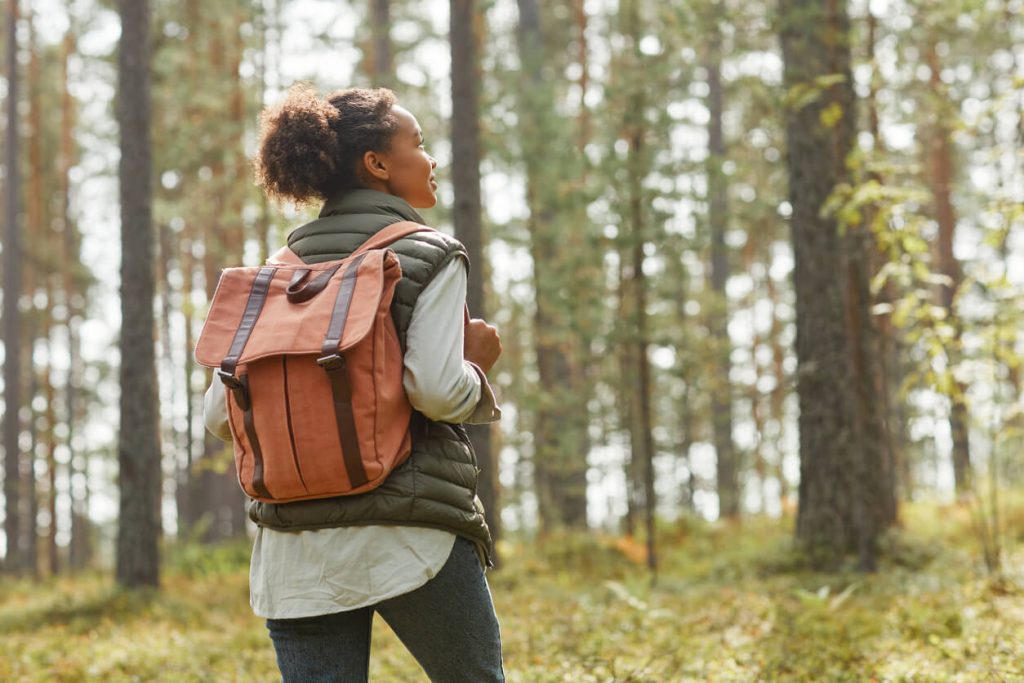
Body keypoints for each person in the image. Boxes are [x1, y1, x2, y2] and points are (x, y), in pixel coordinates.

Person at [203, 84, 505, 682]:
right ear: (377, 164)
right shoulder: (428, 254)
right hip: (409, 534)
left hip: (295, 553)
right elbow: (438, 392)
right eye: (417, 144)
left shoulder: (274, 276)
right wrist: (477, 366)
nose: (430, 158)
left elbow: (219, 416)